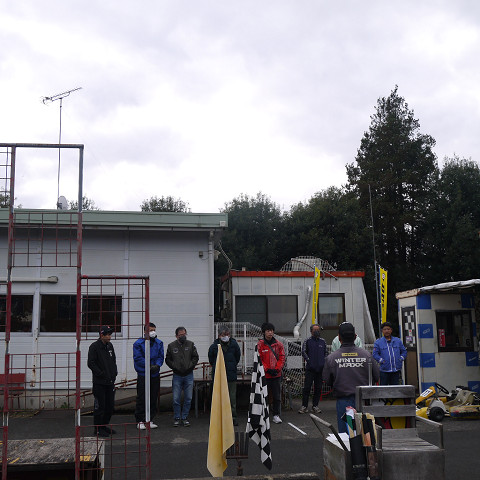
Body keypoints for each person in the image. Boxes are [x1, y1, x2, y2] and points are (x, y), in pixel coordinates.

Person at [323, 322, 379, 434]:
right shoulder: (367, 355)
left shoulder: (332, 358)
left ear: (339, 337)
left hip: (344, 401)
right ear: (355, 337)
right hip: (364, 401)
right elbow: (376, 376)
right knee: (365, 434)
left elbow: (327, 380)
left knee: (347, 434)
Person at [87, 325, 118, 437]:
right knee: (100, 406)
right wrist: (100, 374)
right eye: (107, 335)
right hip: (99, 383)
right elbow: (91, 363)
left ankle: (104, 425)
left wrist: (114, 373)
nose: (109, 337)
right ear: (101, 335)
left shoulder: (109, 346)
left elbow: (113, 360)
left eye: (110, 334)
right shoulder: (94, 347)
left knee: (110, 406)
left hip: (110, 382)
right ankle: (98, 429)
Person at [165, 326, 199, 426]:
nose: (183, 336)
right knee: (176, 399)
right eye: (181, 335)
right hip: (177, 375)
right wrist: (175, 367)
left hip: (189, 375)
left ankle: (184, 417)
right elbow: (168, 359)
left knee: (188, 398)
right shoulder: (171, 346)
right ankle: (177, 417)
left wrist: (190, 366)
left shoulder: (191, 344)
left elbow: (195, 357)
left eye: (184, 334)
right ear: (176, 336)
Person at [133, 322, 164, 430]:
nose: (153, 332)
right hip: (143, 374)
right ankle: (140, 420)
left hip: (154, 374)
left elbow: (161, 356)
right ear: (145, 331)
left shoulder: (159, 343)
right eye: (150, 330)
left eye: (154, 330)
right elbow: (138, 358)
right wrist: (148, 365)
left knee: (153, 397)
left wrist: (157, 365)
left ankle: (149, 419)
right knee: (142, 397)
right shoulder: (138, 343)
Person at [208, 326, 241, 425]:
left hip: (231, 375)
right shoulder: (214, 346)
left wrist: (232, 365)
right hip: (218, 376)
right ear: (219, 335)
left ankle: (232, 418)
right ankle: (218, 418)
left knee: (231, 398)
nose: (226, 336)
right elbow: (211, 359)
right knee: (218, 398)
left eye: (227, 334)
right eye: (223, 335)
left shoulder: (234, 345)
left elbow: (237, 357)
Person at [257, 322, 286, 424]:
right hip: (265, 375)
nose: (270, 333)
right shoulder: (260, 344)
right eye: (268, 331)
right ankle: (263, 415)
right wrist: (267, 369)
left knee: (277, 396)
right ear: (264, 332)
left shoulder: (279, 344)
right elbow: (259, 358)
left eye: (272, 331)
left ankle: (276, 415)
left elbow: (282, 357)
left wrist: (277, 369)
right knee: (263, 395)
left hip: (276, 375)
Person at [298, 323, 327, 414]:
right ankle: (304, 406)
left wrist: (323, 362)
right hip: (310, 369)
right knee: (307, 388)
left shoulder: (323, 341)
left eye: (318, 330)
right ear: (311, 331)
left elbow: (326, 353)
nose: (317, 331)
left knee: (318, 388)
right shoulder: (307, 341)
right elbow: (303, 351)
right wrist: (309, 361)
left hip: (320, 370)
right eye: (315, 330)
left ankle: (315, 406)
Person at [373, 321, 407, 385]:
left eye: (388, 329)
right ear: (382, 331)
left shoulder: (398, 341)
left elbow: (404, 351)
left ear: (391, 330)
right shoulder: (378, 342)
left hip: (396, 370)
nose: (386, 331)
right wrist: (381, 360)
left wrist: (401, 358)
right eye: (385, 329)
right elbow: (375, 354)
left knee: (395, 388)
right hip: (384, 370)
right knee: (384, 388)